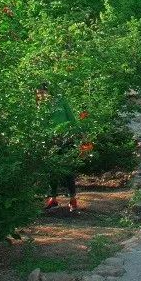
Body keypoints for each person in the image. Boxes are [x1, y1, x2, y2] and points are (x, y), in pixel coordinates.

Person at [36, 83, 80, 213]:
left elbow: (71, 117)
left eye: (43, 92)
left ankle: (72, 200)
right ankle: (52, 198)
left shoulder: (60, 100)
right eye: (38, 93)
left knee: (67, 170)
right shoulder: (40, 106)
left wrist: (78, 133)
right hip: (49, 141)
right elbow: (40, 124)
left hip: (66, 139)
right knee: (51, 170)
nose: (41, 95)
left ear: (48, 91)